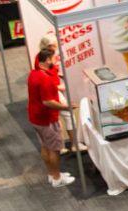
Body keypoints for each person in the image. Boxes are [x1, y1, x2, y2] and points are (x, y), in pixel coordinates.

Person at [28, 48, 77, 187]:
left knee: (45, 146)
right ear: (47, 60)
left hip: (35, 118)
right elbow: (48, 102)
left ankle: (52, 174)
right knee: (54, 149)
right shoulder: (45, 78)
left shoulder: (34, 74)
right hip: (47, 120)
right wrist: (66, 107)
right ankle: (57, 178)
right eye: (54, 58)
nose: (55, 60)